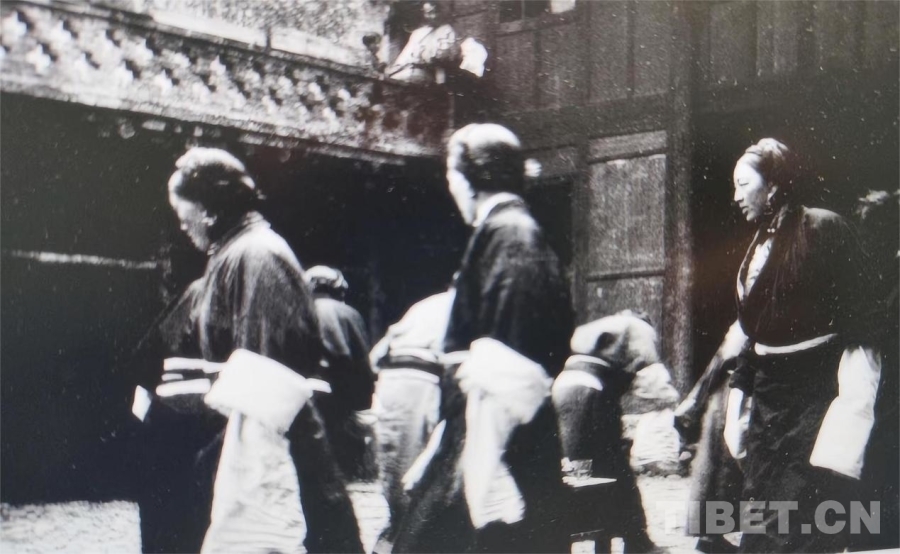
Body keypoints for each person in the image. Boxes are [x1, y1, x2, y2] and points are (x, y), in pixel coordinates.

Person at [134, 147, 363, 553]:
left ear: (207, 209)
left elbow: (269, 374)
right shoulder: (233, 253)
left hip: (261, 436)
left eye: (183, 212)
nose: (181, 223)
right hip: (233, 429)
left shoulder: (259, 254)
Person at [392, 123, 574, 553]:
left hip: (497, 428)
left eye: (451, 174)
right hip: (482, 421)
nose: (450, 186)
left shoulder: (512, 234)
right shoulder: (506, 231)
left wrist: (485, 460)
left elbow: (511, 360)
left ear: (471, 177)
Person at [723, 139, 877, 553]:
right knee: (760, 515)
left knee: (803, 519)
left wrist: (856, 403)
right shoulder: (758, 246)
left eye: (743, 184)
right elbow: (754, 334)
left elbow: (862, 320)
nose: (736, 196)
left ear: (773, 186)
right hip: (767, 399)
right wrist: (739, 401)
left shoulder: (823, 229)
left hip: (813, 397)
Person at [552, 311, 677, 553]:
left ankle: (603, 542)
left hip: (563, 386)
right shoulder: (639, 329)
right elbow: (651, 378)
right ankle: (638, 542)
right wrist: (670, 400)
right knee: (616, 471)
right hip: (591, 390)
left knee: (584, 470)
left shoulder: (599, 330)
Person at [369, 288, 454, 550]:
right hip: (420, 379)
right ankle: (402, 536)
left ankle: (397, 533)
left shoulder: (425, 305)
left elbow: (376, 356)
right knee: (416, 468)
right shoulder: (462, 303)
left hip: (392, 380)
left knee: (395, 466)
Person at [304, 265, 376, 481]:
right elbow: (361, 361)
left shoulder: (301, 310)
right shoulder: (350, 313)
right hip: (342, 390)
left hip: (308, 389)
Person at [386, 1, 458, 84]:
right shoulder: (418, 33)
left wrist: (430, 57)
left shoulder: (447, 30)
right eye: (428, 13)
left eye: (435, 12)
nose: (433, 16)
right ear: (424, 14)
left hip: (427, 73)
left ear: (439, 12)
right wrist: (395, 68)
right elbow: (405, 56)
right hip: (407, 71)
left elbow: (445, 56)